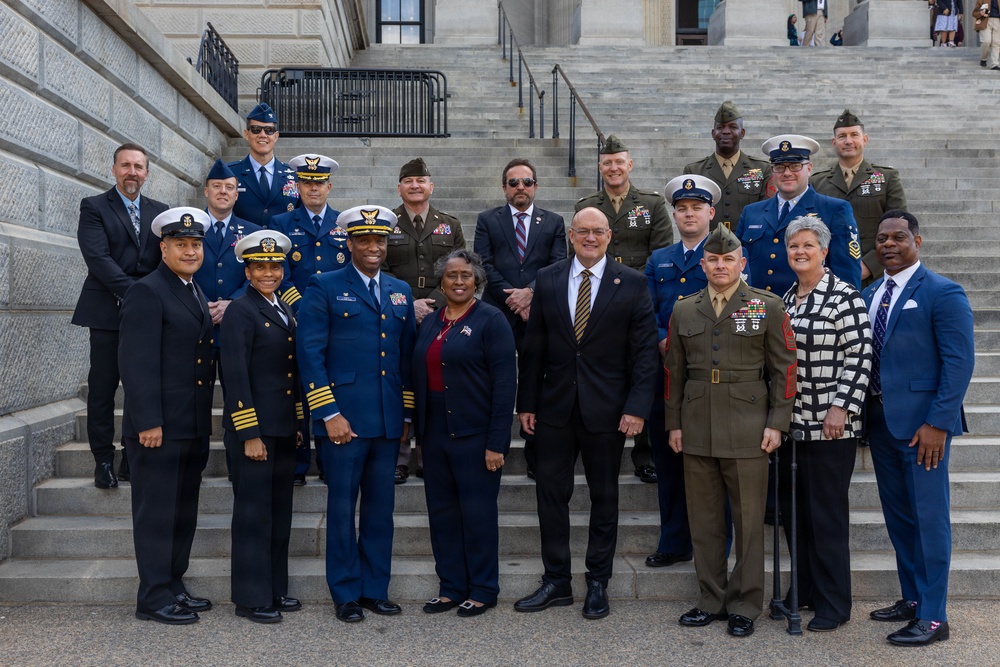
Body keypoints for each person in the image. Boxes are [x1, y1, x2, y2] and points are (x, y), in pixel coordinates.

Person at [514, 207, 658, 621]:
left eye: (598, 232)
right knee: (550, 496)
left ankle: (598, 582)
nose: (590, 238)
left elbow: (645, 353)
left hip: (608, 412)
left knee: (605, 497)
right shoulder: (549, 278)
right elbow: (533, 348)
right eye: (583, 231)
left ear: (610, 235)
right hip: (554, 409)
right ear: (571, 235)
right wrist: (527, 403)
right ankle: (556, 581)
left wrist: (636, 407)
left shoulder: (631, 282)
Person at [664, 225, 797, 638]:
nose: (720, 266)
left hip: (748, 426)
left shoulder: (766, 306)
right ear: (702, 264)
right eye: (713, 260)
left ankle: (745, 604)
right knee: (704, 521)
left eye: (728, 260)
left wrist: (778, 422)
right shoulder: (684, 308)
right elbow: (673, 374)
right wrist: (674, 424)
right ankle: (711, 599)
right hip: (698, 423)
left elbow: (785, 369)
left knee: (749, 520)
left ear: (742, 263)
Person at [296, 205, 416, 623]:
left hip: (385, 420)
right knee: (343, 509)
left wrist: (405, 416)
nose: (372, 247)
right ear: (348, 244)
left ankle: (374, 589)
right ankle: (345, 593)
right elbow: (309, 354)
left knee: (381, 510)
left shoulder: (400, 289)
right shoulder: (324, 285)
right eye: (364, 239)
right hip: (343, 421)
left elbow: (407, 358)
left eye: (379, 240)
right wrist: (328, 413)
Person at [863, 210, 974, 647]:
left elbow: (959, 362)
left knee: (929, 521)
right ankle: (911, 598)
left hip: (923, 430)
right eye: (882, 238)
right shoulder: (871, 292)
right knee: (900, 519)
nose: (889, 244)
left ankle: (933, 616)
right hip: (881, 425)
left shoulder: (943, 292)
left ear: (918, 241)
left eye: (898, 237)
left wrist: (938, 424)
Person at [118, 207, 214, 625]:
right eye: (181, 244)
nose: (190, 250)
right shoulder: (147, 290)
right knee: (156, 513)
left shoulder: (192, 288)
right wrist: (147, 423)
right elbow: (136, 364)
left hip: (189, 424)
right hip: (158, 426)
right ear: (163, 247)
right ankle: (153, 596)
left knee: (182, 510)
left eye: (195, 244)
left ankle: (173, 584)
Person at [778, 216, 872, 632]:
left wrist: (842, 408)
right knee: (795, 514)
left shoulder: (844, 296)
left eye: (808, 246)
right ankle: (804, 591)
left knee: (826, 516)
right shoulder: (786, 297)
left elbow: (860, 356)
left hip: (831, 426)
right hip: (792, 425)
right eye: (794, 246)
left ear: (824, 251)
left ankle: (834, 603)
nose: (800, 252)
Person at [412, 249, 516, 618]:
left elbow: (505, 386)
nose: (458, 281)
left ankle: (484, 588)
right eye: (452, 275)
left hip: (475, 433)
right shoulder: (430, 322)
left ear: (477, 282)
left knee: (477, 514)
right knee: (441, 514)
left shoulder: (491, 320)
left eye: (466, 276)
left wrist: (496, 442)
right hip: (435, 431)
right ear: (440, 281)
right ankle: (451, 587)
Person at [575, 134, 672, 484]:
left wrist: (629, 291)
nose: (613, 168)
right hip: (595, 305)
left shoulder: (651, 204)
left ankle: (644, 454)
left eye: (619, 162)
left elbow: (660, 253)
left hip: (637, 300)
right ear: (600, 167)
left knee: (641, 371)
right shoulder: (588, 205)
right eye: (606, 162)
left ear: (630, 165)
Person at [72, 143, 168, 489]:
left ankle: (132, 456)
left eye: (138, 167)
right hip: (107, 311)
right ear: (114, 169)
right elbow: (97, 259)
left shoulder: (161, 213)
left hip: (147, 317)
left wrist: (151, 301)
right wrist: (135, 294)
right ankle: (103, 459)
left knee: (141, 386)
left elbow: (165, 260)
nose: (132, 172)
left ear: (146, 173)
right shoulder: (95, 207)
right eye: (125, 165)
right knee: (103, 387)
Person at [221, 230, 302, 624]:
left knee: (279, 512)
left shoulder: (284, 306)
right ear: (248, 271)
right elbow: (235, 374)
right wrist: (249, 433)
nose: (269, 272)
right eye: (260, 267)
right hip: (255, 432)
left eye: (275, 266)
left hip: (283, 428)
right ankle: (250, 598)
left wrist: (297, 422)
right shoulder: (241, 309)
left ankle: (274, 587)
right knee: (253, 515)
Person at [643, 174, 722, 569]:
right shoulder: (659, 259)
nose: (689, 215)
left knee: (712, 463)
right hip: (668, 374)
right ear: (673, 214)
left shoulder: (726, 255)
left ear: (711, 212)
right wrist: (660, 337)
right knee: (669, 459)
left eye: (696, 208)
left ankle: (714, 547)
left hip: (712, 373)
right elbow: (645, 308)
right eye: (682, 209)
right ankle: (674, 540)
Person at [474, 158, 566, 477]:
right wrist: (514, 297)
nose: (520, 188)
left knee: (535, 381)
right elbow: (483, 264)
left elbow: (558, 264)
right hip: (498, 313)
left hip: (537, 313)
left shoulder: (553, 222)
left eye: (526, 182)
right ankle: (490, 445)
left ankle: (534, 452)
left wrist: (530, 291)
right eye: (513, 183)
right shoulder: (487, 220)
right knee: (494, 380)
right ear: (504, 188)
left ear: (536, 186)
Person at [385, 157, 466, 484]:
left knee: (436, 385)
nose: (415, 186)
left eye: (421, 180)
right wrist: (408, 303)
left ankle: (430, 455)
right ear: (400, 187)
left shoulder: (450, 224)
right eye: (409, 181)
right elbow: (379, 267)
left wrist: (431, 303)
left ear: (431, 186)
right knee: (402, 384)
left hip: (439, 315)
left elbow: (461, 268)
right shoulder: (386, 222)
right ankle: (401, 458)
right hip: (398, 316)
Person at [269, 153, 345, 485]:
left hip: (338, 324)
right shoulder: (280, 224)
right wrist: (302, 310)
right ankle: (298, 464)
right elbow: (276, 275)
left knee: (332, 390)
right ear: (297, 186)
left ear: (329, 186)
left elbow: (349, 273)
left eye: (319, 183)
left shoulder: (345, 223)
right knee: (296, 394)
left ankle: (330, 461)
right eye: (306, 183)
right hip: (294, 321)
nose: (313, 189)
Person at [193, 159, 262, 474]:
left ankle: (238, 461)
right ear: (206, 191)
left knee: (239, 395)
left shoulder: (253, 233)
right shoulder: (189, 228)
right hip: (196, 326)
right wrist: (202, 304)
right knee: (196, 397)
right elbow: (179, 267)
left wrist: (232, 303)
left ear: (237, 194)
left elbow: (261, 275)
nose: (223, 192)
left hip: (236, 329)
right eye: (217, 186)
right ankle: (197, 461)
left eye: (229, 188)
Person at [735, 134, 861, 297]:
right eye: (779, 166)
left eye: (795, 166)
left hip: (811, 312)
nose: (787, 173)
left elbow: (847, 273)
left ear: (809, 169)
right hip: (758, 311)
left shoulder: (835, 210)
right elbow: (737, 264)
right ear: (772, 171)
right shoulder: (751, 212)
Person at [811, 110, 907, 286]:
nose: (848, 141)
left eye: (854, 135)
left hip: (875, 275)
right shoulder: (817, 182)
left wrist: (870, 265)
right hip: (827, 276)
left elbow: (899, 227)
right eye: (842, 136)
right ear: (834, 142)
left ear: (865, 139)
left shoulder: (887, 178)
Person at [683, 101, 774, 232]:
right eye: (720, 127)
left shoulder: (762, 169)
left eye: (732, 127)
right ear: (713, 133)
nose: (726, 131)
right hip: (708, 245)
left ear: (742, 133)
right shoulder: (694, 171)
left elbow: (767, 211)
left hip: (748, 244)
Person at [228, 102, 299, 227]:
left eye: (269, 130)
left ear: (276, 136)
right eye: (256, 130)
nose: (262, 135)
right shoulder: (231, 173)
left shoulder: (293, 176)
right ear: (246, 134)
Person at [976, 0, 1000, 68]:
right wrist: (980, 13)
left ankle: (995, 64)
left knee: (996, 42)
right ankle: (983, 58)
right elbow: (975, 12)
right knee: (986, 41)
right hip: (985, 21)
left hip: (998, 20)